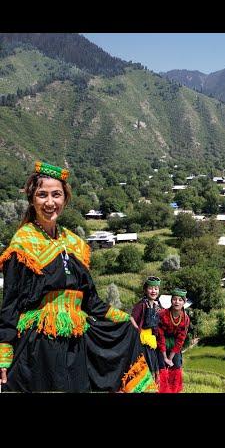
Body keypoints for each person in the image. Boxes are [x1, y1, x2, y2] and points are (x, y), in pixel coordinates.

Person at [0, 161, 156, 392]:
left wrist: (122, 317)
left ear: (65, 198)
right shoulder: (22, 244)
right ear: (32, 199)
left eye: (56, 195)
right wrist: (3, 352)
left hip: (75, 343)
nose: (50, 202)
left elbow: (90, 300)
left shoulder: (74, 243)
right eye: (42, 195)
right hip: (39, 345)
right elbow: (10, 303)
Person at [156, 288, 191, 393]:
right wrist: (165, 357)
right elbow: (160, 336)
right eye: (174, 299)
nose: (177, 302)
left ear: (184, 302)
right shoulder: (162, 314)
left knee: (176, 366)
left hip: (175, 346)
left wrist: (170, 358)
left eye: (180, 300)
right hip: (161, 344)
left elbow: (181, 339)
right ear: (171, 301)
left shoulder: (185, 318)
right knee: (161, 366)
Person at [131, 276, 163, 383]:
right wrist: (137, 330)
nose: (153, 291)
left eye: (156, 288)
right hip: (142, 341)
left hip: (152, 340)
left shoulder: (158, 306)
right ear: (145, 290)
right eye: (150, 288)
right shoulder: (141, 305)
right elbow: (132, 318)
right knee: (145, 365)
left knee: (153, 365)